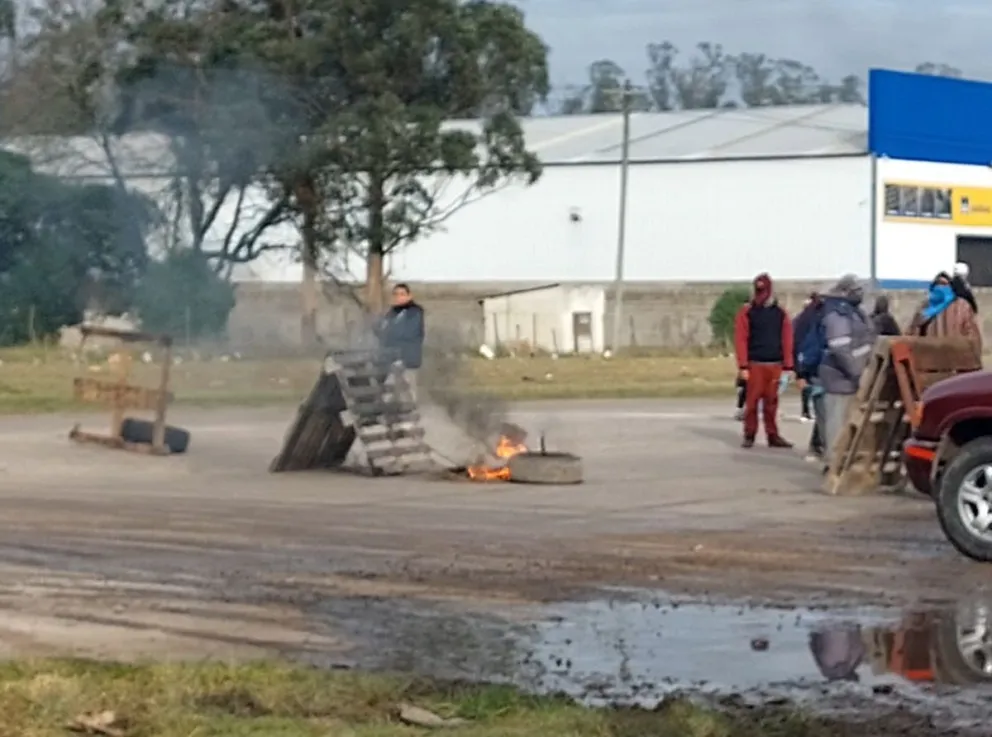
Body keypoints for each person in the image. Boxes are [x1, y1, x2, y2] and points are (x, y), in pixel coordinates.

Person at [818, 274, 875, 466]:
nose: (860, 294)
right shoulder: (837, 315)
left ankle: (845, 459)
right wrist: (857, 372)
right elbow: (840, 348)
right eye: (857, 291)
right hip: (839, 376)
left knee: (849, 419)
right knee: (836, 420)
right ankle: (833, 462)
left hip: (851, 375)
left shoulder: (854, 311)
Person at [733, 273, 794, 449]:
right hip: (755, 364)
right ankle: (749, 434)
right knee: (752, 402)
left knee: (771, 403)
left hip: (774, 364)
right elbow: (741, 339)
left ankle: (772, 435)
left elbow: (787, 339)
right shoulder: (747, 312)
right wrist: (743, 365)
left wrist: (788, 365)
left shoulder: (780, 313)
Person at [907, 271, 982, 359]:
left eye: (944, 285)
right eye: (937, 285)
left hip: (955, 361)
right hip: (931, 360)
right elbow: (912, 334)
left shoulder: (961, 307)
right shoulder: (924, 307)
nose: (940, 288)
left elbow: (972, 337)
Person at [376, 283, 425, 400]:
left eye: (402, 294)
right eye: (396, 294)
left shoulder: (415, 312)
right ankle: (387, 412)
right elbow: (383, 333)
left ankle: (412, 414)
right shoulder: (392, 313)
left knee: (408, 391)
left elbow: (408, 333)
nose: (399, 297)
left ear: (409, 296)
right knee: (388, 389)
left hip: (408, 359)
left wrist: (388, 329)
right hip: (392, 358)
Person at [792, 292, 822, 422]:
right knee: (812, 385)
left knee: (807, 384)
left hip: (804, 355)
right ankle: (808, 411)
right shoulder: (815, 318)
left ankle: (806, 411)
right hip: (809, 354)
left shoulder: (800, 319)